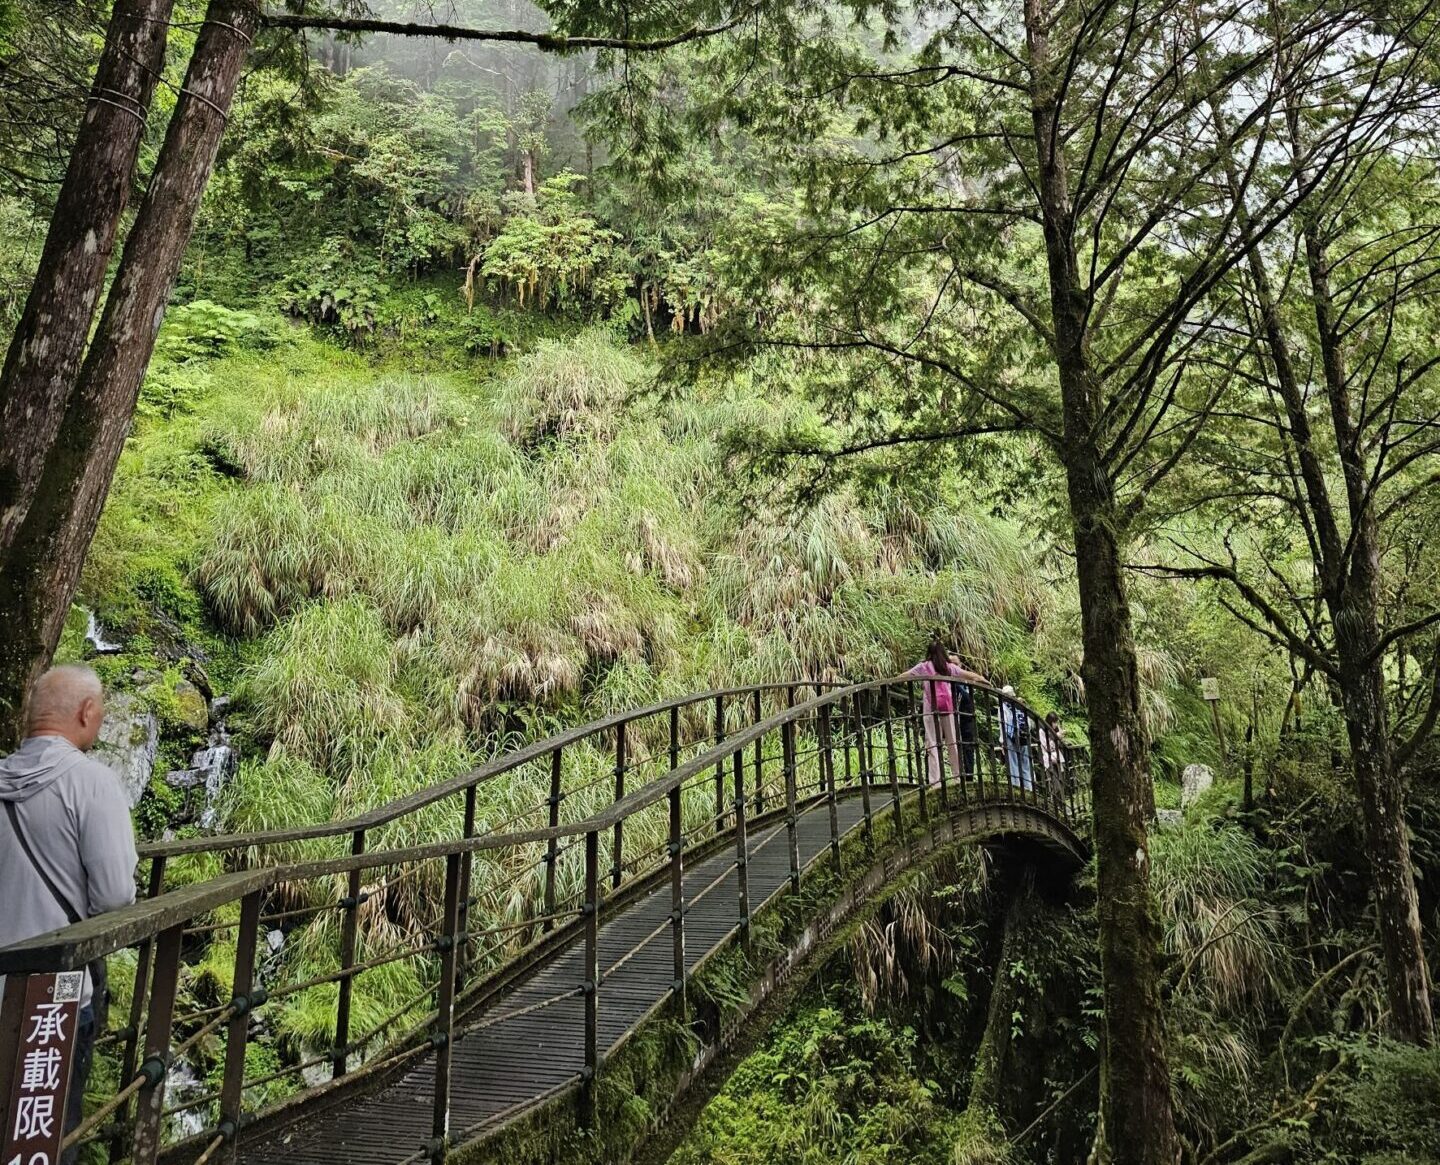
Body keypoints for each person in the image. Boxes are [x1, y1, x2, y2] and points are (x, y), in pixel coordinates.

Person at [0, 665, 138, 1163]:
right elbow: (115, 895)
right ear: (87, 712)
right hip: (52, 994)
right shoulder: (92, 783)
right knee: (47, 1129)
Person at [908, 637, 986, 787]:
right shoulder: (948, 667)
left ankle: (935, 782)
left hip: (931, 708)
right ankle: (958, 778)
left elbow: (907, 675)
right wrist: (982, 678)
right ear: (943, 653)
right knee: (952, 743)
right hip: (947, 707)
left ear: (928, 653)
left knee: (932, 743)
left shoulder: (923, 667)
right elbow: (967, 674)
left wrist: (891, 680)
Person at [1000, 684, 1034, 791]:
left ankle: (1017, 789)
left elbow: (1003, 724)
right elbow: (1030, 722)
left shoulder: (1003, 706)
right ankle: (1029, 789)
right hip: (1024, 737)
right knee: (1025, 764)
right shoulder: (1020, 704)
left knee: (1013, 764)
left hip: (1010, 738)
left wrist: (1002, 741)